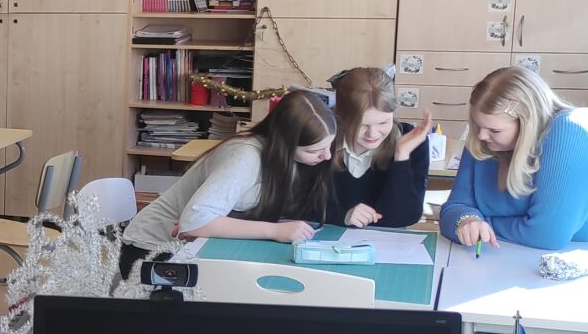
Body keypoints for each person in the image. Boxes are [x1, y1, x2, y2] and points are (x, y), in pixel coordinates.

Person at [120, 89, 337, 271]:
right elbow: (194, 223)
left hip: (192, 245)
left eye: (330, 145)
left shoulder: (289, 159)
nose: (326, 156)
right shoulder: (246, 156)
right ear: (285, 143)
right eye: (314, 150)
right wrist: (274, 230)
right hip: (150, 250)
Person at [441, 65, 588, 250]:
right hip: (515, 256)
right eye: (477, 124)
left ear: (527, 122)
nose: (482, 135)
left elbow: (548, 235)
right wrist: (467, 221)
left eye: (495, 130)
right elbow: (455, 207)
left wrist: (484, 226)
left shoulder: (570, 130)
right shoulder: (485, 138)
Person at [321, 68, 434, 230]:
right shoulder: (323, 139)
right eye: (361, 125)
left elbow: (405, 217)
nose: (372, 134)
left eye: (383, 122)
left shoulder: (411, 140)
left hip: (388, 241)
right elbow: (299, 208)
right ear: (341, 117)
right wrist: (342, 216)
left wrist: (401, 156)